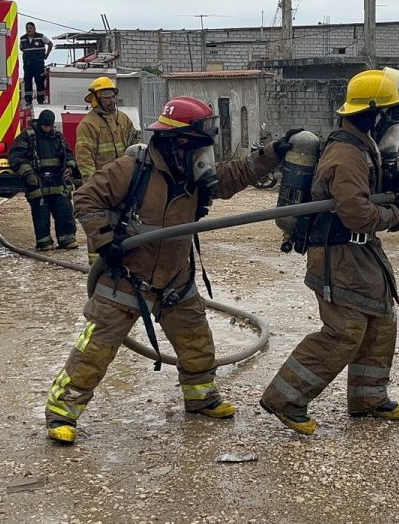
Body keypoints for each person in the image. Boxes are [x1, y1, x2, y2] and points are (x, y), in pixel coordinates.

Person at [43, 96, 298, 444]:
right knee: (96, 348)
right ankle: (62, 411)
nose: (204, 158)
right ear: (179, 142)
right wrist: (104, 240)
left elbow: (234, 174)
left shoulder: (192, 174)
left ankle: (200, 397)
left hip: (176, 277)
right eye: (199, 148)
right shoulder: (131, 170)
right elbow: (86, 197)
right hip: (127, 277)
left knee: (196, 340)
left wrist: (275, 152)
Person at [259, 69, 399, 435]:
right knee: (344, 331)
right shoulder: (347, 155)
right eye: (389, 114)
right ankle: (285, 398)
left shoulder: (362, 146)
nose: (393, 123)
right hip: (339, 256)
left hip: (361, 255)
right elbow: (357, 213)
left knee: (380, 322)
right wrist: (396, 215)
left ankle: (368, 398)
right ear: (374, 116)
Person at [75, 76, 138, 262]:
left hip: (125, 181)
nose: (111, 100)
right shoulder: (88, 124)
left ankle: (126, 258)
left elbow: (135, 144)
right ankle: (97, 263)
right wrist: (92, 186)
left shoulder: (123, 119)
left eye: (112, 96)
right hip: (102, 184)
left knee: (127, 221)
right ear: (96, 99)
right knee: (99, 223)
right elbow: (84, 157)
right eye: (106, 97)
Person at [8, 109, 79, 251]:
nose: (47, 129)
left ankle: (67, 238)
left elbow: (70, 155)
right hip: (38, 182)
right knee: (41, 213)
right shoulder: (28, 136)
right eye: (45, 126)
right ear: (40, 123)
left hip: (58, 181)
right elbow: (15, 157)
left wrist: (69, 168)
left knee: (64, 209)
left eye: (49, 126)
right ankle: (44, 242)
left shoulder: (58, 137)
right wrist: (28, 174)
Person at [20, 22, 53, 105]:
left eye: (30, 28)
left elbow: (50, 43)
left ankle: (41, 100)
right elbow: (21, 49)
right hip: (27, 64)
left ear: (34, 29)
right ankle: (28, 100)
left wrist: (46, 54)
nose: (29, 30)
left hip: (38, 64)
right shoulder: (22, 39)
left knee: (39, 81)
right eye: (27, 28)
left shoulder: (41, 37)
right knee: (27, 81)